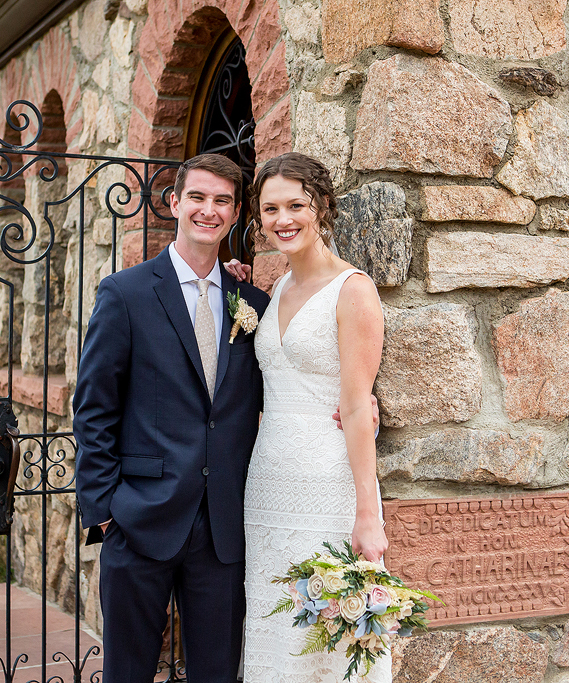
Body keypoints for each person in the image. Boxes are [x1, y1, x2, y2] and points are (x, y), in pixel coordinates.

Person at [72, 153, 270, 683]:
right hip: (138, 518)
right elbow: (93, 408)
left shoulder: (253, 302)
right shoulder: (126, 293)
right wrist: (103, 509)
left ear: (235, 214)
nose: (209, 210)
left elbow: (279, 386)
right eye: (199, 198)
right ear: (175, 202)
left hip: (224, 529)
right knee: (128, 672)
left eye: (222, 201)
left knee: (217, 673)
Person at [241, 152, 390, 683]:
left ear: (321, 207)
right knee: (275, 627)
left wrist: (368, 514)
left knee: (329, 639)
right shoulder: (275, 288)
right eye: (271, 209)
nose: (283, 219)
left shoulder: (353, 290)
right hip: (268, 484)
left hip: (327, 484)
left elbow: (354, 405)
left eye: (296, 205)